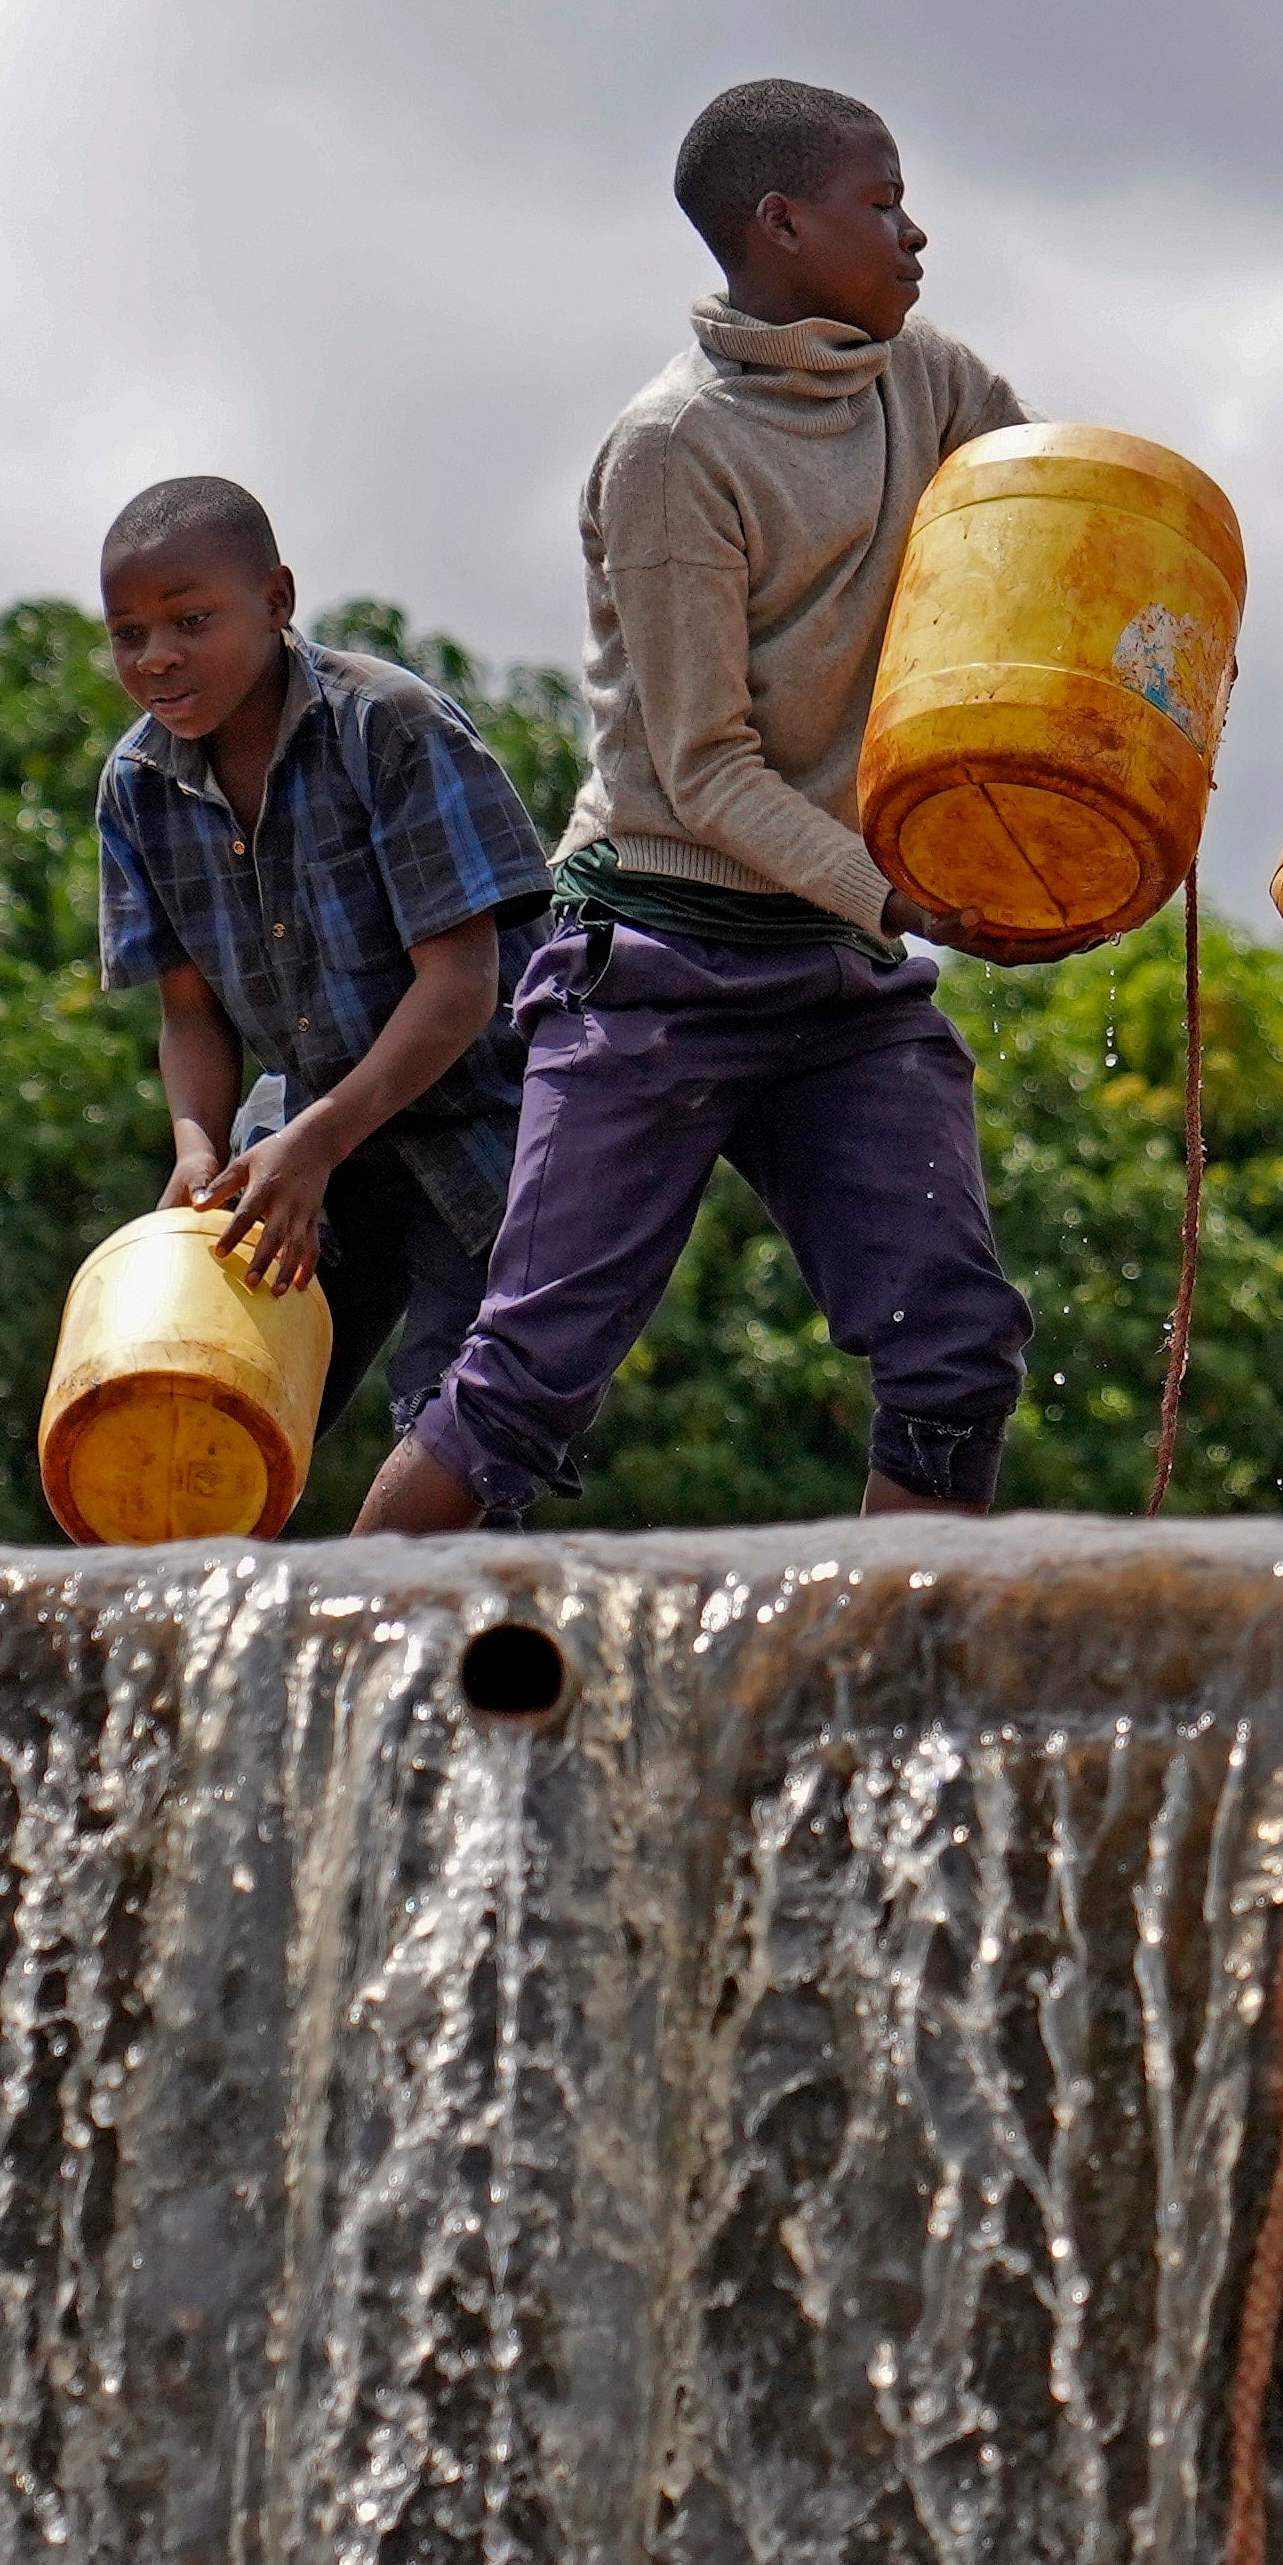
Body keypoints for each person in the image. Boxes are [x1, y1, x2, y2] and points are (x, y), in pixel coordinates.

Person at [364, 82, 1033, 1531]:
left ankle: (885, 1702)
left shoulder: (936, 385)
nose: (916, 234)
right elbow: (709, 770)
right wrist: (908, 901)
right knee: (531, 1374)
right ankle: (319, 1688)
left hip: (834, 974)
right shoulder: (677, 451)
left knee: (957, 1348)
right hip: (658, 956)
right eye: (882, 202)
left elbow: (1049, 537)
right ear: (781, 225)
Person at [91, 474, 551, 1509]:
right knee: (188, 1423)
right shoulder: (137, 786)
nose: (156, 656)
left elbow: (462, 985)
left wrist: (319, 1142)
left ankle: (424, 1660)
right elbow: (190, 1014)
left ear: (278, 600)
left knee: (448, 1458)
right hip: (300, 1141)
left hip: (484, 1136)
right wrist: (197, 1149)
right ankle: (192, 1663)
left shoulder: (387, 726)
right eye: (128, 634)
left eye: (190, 621)